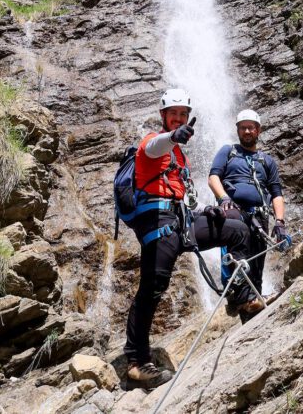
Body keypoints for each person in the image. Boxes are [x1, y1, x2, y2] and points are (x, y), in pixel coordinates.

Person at [124, 88, 263, 389]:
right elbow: (156, 146)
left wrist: (211, 210)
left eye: (182, 114)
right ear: (164, 116)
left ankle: (241, 298)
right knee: (153, 287)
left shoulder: (179, 158)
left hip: (182, 221)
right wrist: (174, 136)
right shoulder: (153, 142)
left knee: (237, 227)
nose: (178, 118)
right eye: (173, 114)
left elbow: (187, 199)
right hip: (158, 223)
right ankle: (136, 362)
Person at [208, 109, 291, 321]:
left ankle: (252, 316)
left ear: (258, 130)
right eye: (243, 127)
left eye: (251, 127)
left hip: (260, 217)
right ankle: (237, 296)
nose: (247, 130)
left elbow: (276, 193)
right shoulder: (228, 151)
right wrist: (224, 199)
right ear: (237, 130)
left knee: (256, 267)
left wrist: (279, 221)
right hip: (233, 212)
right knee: (237, 257)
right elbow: (213, 177)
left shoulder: (267, 161)